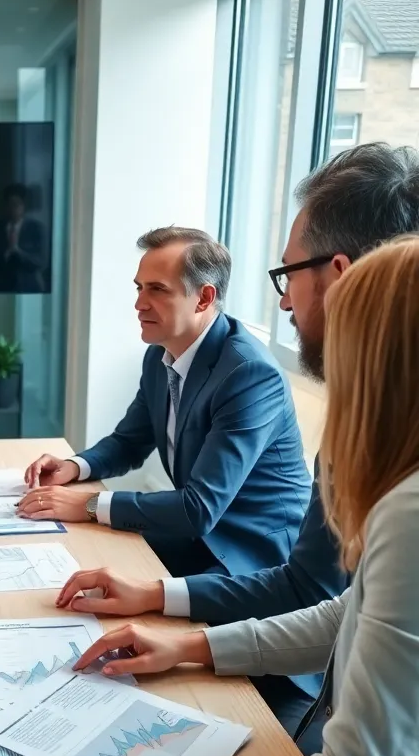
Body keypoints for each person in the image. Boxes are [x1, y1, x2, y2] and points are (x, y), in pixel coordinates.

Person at [29, 235, 419, 756]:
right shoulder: (402, 500)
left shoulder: (406, 513)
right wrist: (186, 647)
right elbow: (344, 617)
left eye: (345, 358)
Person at [53, 144, 419, 741]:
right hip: (285, 628)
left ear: (344, 278)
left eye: (289, 275)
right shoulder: (364, 423)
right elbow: (342, 609)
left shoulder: (252, 374)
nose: (282, 301)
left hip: (255, 588)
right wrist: (79, 470)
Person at [20, 226, 311, 581]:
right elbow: (129, 442)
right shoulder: (160, 356)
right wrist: (74, 466)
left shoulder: (248, 374)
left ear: (204, 298)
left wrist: (89, 504)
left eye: (157, 290)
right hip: (198, 537)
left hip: (254, 556)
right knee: (74, 562)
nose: (139, 304)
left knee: (105, 579)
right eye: (139, 288)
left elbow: (199, 508)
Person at [0, 183, 47, 292]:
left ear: (24, 206)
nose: (12, 209)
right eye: (9, 204)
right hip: (3, 288)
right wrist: (7, 253)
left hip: (29, 288)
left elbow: (41, 261)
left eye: (16, 204)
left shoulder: (36, 228)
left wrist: (18, 252)